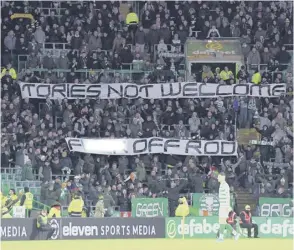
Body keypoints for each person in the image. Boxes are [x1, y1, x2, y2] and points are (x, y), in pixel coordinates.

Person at [217, 172, 239, 242]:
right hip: (222, 205)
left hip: (224, 206)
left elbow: (227, 196)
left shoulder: (225, 185)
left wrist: (227, 206)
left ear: (222, 177)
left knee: (222, 221)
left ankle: (221, 237)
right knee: (223, 222)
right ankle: (235, 234)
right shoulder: (221, 185)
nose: (217, 178)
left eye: (218, 176)